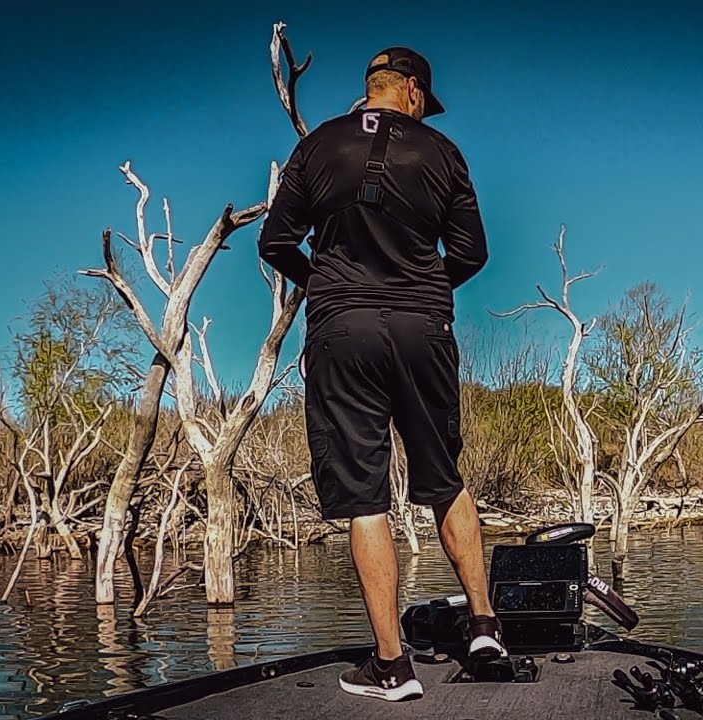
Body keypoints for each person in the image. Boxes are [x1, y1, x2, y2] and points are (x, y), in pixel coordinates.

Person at [257, 46, 501, 703]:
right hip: (424, 330)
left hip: (343, 331)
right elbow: (473, 252)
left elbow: (274, 242)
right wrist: (423, 290)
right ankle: (485, 629)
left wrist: (328, 287)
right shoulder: (442, 152)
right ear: (413, 91)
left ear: (372, 88)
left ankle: (393, 667)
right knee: (444, 477)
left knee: (365, 497)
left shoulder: (319, 146)